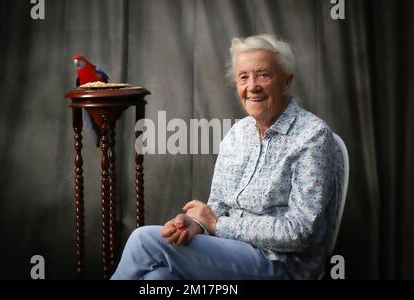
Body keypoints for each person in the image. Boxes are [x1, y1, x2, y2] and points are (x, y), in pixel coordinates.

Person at [111, 33, 344, 280]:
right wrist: (195, 225)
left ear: (286, 82)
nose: (252, 86)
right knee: (157, 279)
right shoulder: (237, 133)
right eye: (244, 77)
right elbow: (217, 207)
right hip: (232, 252)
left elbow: (299, 232)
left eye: (263, 75)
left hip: (282, 264)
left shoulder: (312, 136)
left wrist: (217, 225)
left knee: (144, 240)